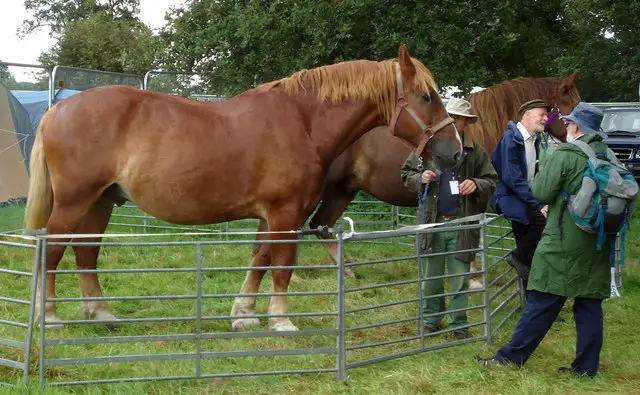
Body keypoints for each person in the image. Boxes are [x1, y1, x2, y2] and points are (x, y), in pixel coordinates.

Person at [476, 102, 618, 377]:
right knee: (589, 305)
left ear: (576, 126)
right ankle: (586, 369)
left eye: (568, 123)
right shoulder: (608, 153)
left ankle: (509, 359)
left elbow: (540, 191)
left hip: (564, 242)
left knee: (541, 301)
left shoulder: (567, 153)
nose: (564, 126)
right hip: (598, 241)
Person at [401, 97, 497, 340]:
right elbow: (406, 174)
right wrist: (420, 178)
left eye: (460, 119)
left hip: (462, 226)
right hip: (431, 225)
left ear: (466, 122)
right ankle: (431, 321)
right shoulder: (427, 148)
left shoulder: (475, 151)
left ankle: (459, 326)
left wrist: (476, 184)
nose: (454, 122)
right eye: (451, 117)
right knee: (430, 280)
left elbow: (492, 180)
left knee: (459, 280)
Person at [489, 99, 551, 288]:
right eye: (542, 114)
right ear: (526, 115)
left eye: (546, 115)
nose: (546, 118)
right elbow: (512, 178)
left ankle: (531, 305)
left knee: (529, 252)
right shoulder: (511, 138)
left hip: (524, 198)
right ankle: (517, 257)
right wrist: (538, 204)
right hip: (512, 199)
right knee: (540, 224)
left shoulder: (535, 139)